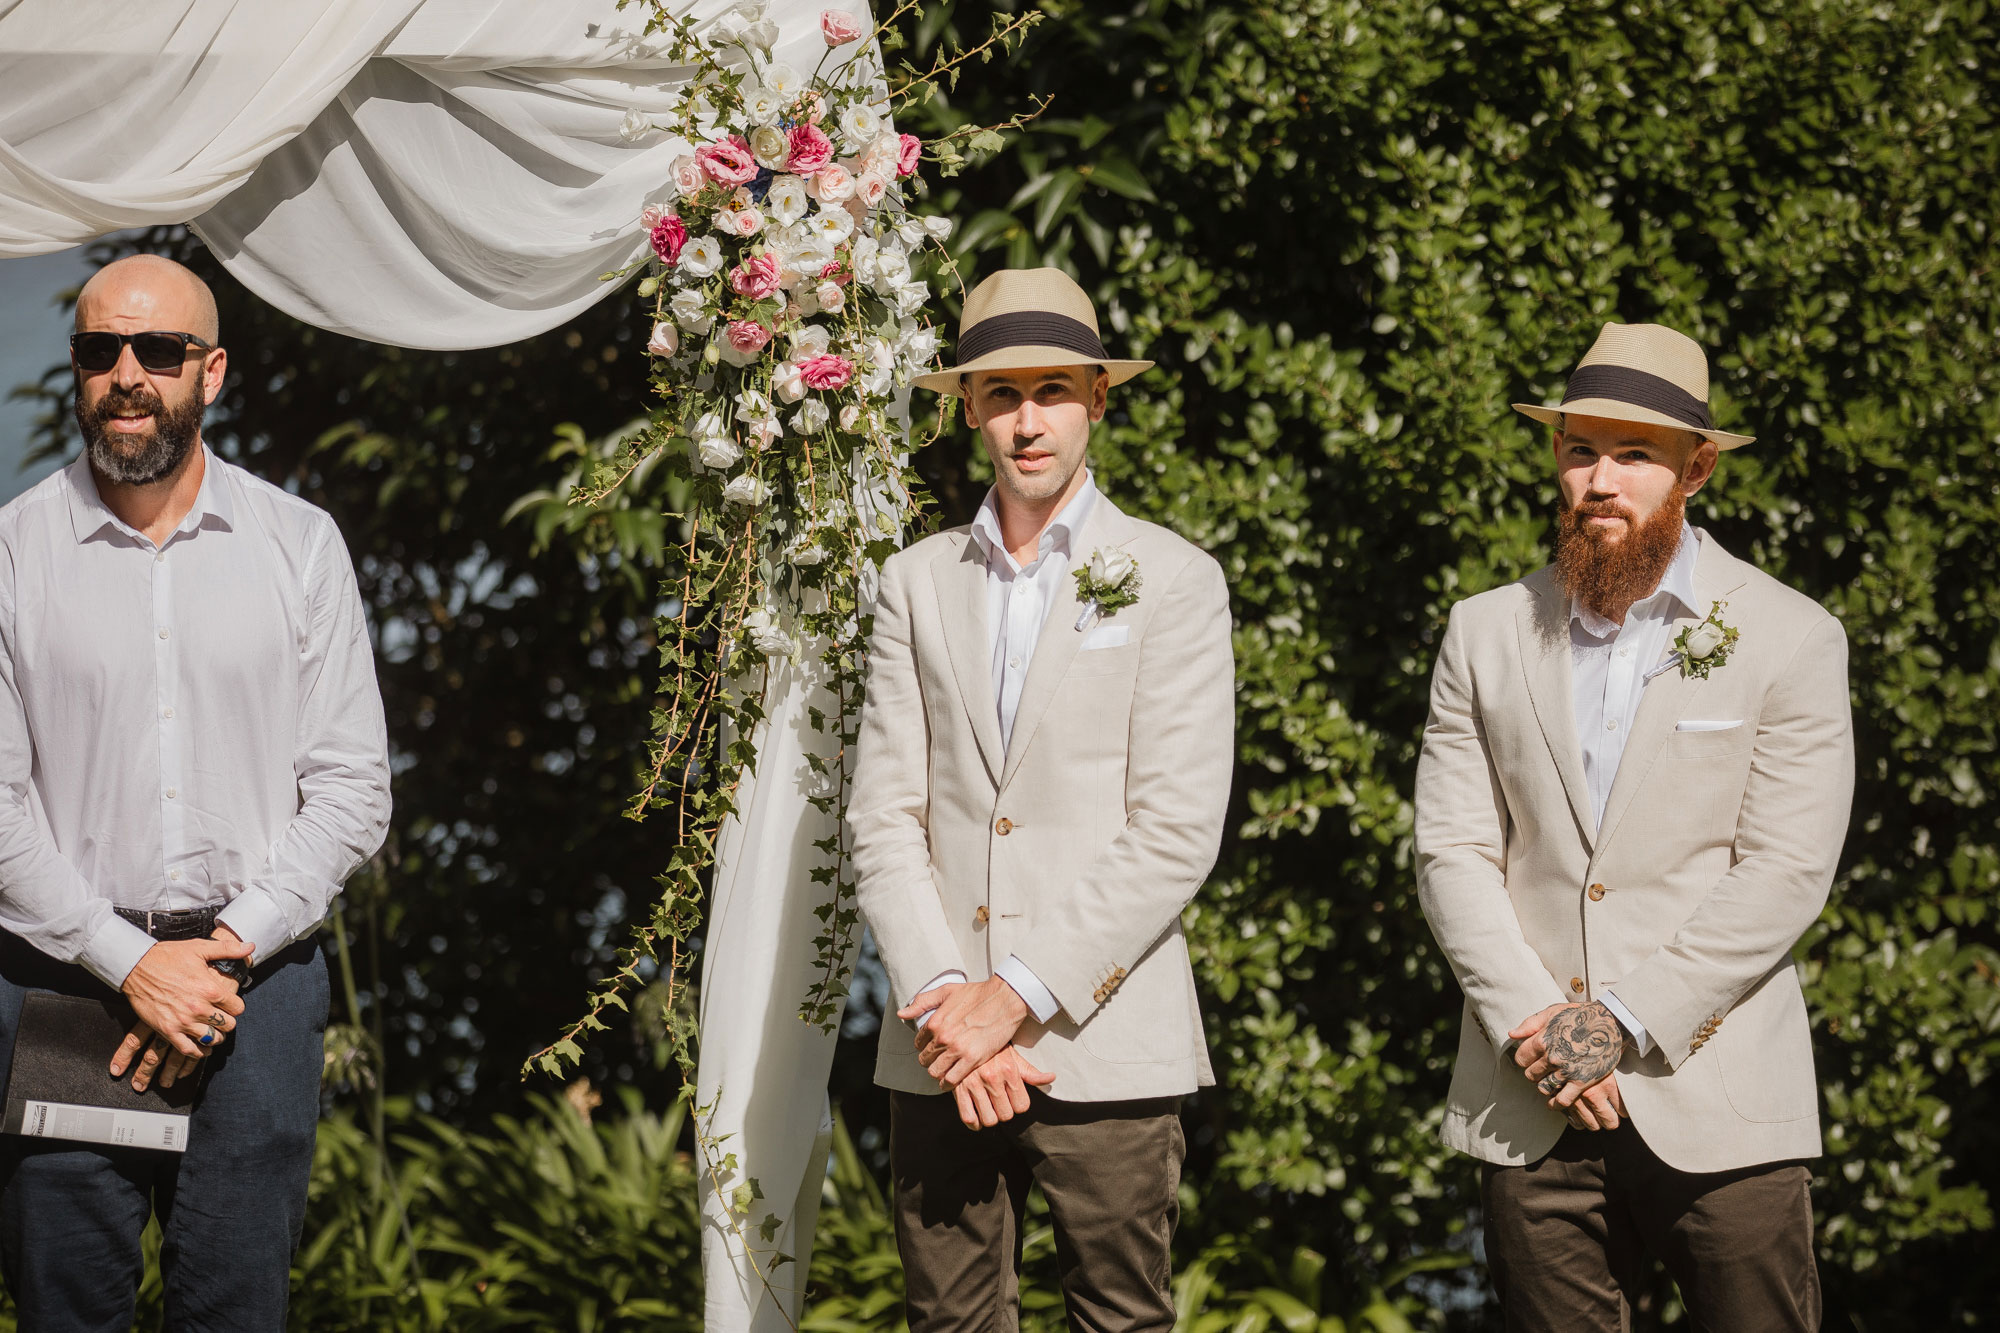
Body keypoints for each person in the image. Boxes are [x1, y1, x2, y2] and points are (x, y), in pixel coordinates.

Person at [1413, 322, 1854, 1331]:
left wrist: (1611, 1026)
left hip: (1721, 1099)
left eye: (1632, 454)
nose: (1598, 479)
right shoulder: (1481, 632)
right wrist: (1541, 1032)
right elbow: (1452, 852)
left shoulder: (1788, 636)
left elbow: (1783, 869)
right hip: (1527, 1104)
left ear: (1693, 468)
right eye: (1578, 449)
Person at [0, 254, 391, 1331]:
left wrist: (215, 958)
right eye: (98, 351)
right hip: (66, 982)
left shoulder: (300, 546)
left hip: (253, 995)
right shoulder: (12, 552)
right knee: (64, 1309)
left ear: (209, 372)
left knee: (236, 1309)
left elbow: (353, 787)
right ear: (78, 370)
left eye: (158, 350)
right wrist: (133, 967)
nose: (127, 374)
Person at [848, 267, 1235, 1332]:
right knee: (950, 1323)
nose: (1029, 421)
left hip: (1102, 1032)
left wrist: (1008, 998)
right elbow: (883, 813)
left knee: (1118, 1317)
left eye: (1053, 390)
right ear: (967, 406)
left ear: (1096, 400)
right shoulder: (912, 582)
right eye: (1003, 393)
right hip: (937, 1051)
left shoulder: (1174, 578)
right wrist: (944, 1003)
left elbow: (1173, 831)